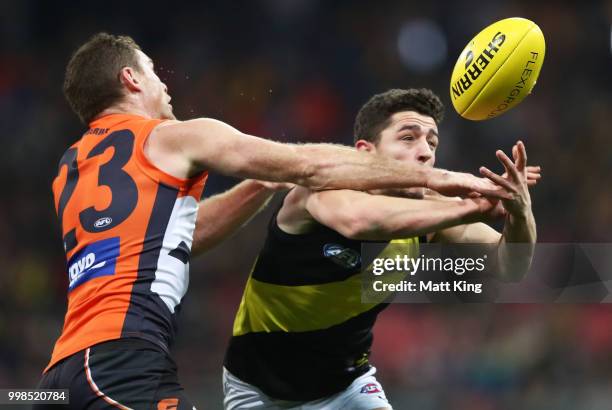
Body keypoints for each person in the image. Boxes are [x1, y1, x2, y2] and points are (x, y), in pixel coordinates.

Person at [37, 31, 508, 409]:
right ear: (131, 79)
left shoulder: (71, 166)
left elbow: (179, 238)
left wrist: (261, 184)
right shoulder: (175, 136)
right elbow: (312, 168)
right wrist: (447, 181)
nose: (165, 84)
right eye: (154, 72)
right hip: (124, 363)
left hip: (58, 377)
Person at [221, 88, 540, 410]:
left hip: (345, 388)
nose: (425, 152)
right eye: (408, 138)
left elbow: (510, 265)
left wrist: (520, 212)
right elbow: (358, 222)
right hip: (258, 390)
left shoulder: (436, 213)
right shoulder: (318, 191)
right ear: (365, 152)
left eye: (432, 142)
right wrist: (474, 207)